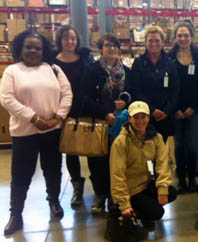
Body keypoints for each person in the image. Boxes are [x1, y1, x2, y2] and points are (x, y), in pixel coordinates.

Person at [1, 31, 72, 235]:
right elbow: (7, 99)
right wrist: (34, 119)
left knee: (53, 169)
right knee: (21, 174)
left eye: (37, 48)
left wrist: (57, 118)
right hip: (24, 132)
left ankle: (54, 201)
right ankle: (16, 214)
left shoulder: (54, 69)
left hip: (52, 130)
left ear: (44, 51)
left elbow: (67, 94)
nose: (33, 51)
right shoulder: (13, 71)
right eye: (28, 47)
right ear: (20, 49)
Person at [80, 33, 131, 214]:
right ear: (101, 48)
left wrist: (125, 103)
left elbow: (133, 93)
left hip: (122, 124)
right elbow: (85, 97)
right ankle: (100, 194)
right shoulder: (92, 70)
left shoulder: (126, 71)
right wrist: (105, 112)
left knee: (118, 160)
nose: (111, 49)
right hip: (100, 123)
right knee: (98, 160)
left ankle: (116, 195)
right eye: (107, 45)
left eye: (114, 46)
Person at [110, 101, 177, 231]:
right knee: (157, 213)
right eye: (136, 117)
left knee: (171, 192)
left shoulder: (157, 138)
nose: (140, 121)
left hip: (147, 184)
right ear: (129, 118)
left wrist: (162, 189)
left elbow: (163, 164)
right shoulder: (120, 142)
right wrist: (124, 204)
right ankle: (125, 210)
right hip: (132, 190)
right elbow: (117, 174)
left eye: (143, 117)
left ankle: (144, 210)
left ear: (148, 117)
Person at [53, 25, 93, 207]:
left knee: (94, 149)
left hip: (85, 108)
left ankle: (100, 187)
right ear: (59, 40)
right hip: (63, 111)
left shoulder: (84, 58)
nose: (70, 42)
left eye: (73, 38)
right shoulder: (52, 62)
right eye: (66, 38)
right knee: (71, 151)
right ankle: (77, 188)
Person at [167, 20, 198, 194]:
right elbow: (166, 85)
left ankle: (192, 178)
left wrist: (192, 106)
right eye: (179, 35)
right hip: (175, 110)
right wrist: (174, 108)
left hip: (195, 109)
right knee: (178, 145)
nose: (183, 38)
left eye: (186, 35)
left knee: (192, 145)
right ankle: (181, 180)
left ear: (191, 36)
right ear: (175, 38)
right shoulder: (169, 56)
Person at [129, 25, 180, 142]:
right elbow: (136, 89)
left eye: (157, 40)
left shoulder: (170, 63)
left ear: (162, 42)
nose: (154, 44)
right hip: (144, 115)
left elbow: (176, 89)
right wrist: (151, 110)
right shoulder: (139, 62)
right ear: (145, 42)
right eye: (150, 41)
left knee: (160, 150)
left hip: (165, 116)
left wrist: (167, 111)